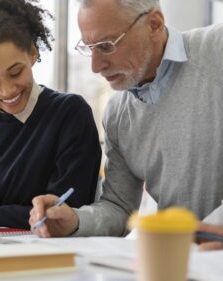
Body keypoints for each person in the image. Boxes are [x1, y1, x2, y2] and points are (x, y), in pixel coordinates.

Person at [30, 0, 223, 237]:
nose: (95, 66)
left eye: (106, 46)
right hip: (179, 259)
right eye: (89, 48)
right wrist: (75, 221)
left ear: (154, 24)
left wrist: (212, 230)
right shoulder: (117, 116)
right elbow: (119, 207)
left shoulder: (217, 49)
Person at [0, 0, 101, 229]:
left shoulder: (69, 114)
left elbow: (64, 210)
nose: (7, 90)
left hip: (47, 252)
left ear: (33, 53)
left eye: (15, 73)